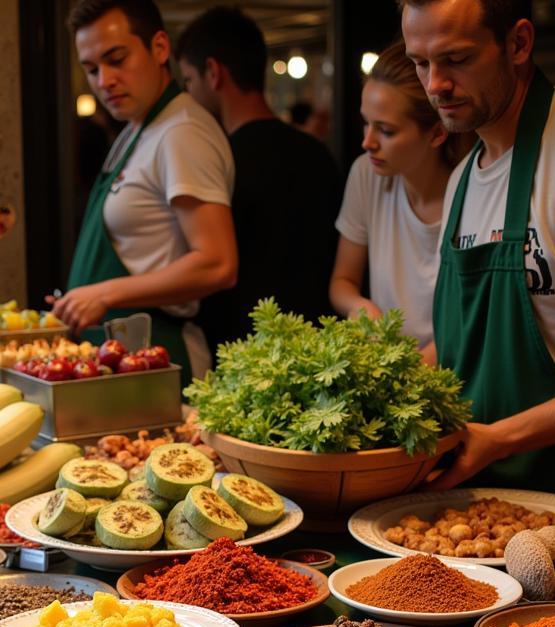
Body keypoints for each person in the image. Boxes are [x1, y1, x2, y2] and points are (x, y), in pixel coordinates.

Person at [402, 0, 555, 491]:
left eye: (457, 59)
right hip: (480, 498)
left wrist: (501, 438)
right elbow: (458, 347)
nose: (434, 85)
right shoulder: (462, 180)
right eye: (420, 63)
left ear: (519, 43)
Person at [53, 0, 237, 381]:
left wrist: (103, 294)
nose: (104, 80)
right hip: (121, 358)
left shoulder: (182, 132)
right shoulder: (138, 128)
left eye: (116, 59)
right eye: (91, 69)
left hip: (159, 359)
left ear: (159, 48)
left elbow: (218, 263)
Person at [177, 6, 342, 349]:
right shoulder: (318, 154)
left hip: (245, 356)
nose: (189, 94)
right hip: (319, 349)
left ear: (213, 72)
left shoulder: (217, 163)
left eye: (189, 80)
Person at [329, 41, 470, 355]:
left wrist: (409, 373)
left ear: (437, 133)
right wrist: (360, 306)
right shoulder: (366, 174)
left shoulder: (473, 192)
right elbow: (342, 281)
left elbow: (473, 320)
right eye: (366, 123)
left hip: (456, 373)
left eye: (386, 131)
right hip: (388, 361)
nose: (367, 142)